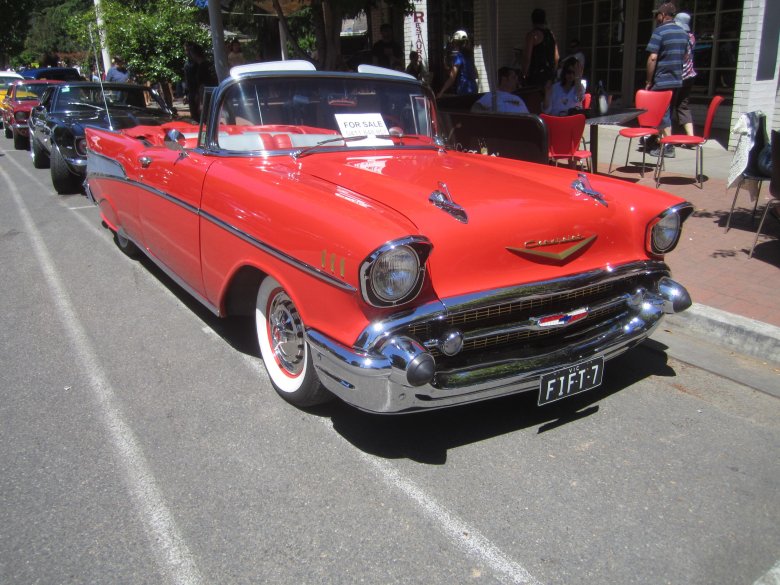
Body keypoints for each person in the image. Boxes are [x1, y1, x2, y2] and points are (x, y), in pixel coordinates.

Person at [645, 2, 688, 159]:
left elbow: (653, 57)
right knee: (667, 112)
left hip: (662, 79)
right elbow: (685, 56)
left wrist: (649, 81)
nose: (656, 17)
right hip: (677, 79)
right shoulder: (683, 33)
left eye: (657, 14)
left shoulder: (660, 32)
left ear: (663, 15)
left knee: (661, 113)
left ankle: (668, 146)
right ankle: (657, 138)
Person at [673, 12, 696, 137]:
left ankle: (665, 138)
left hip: (678, 77)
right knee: (683, 106)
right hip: (689, 75)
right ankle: (691, 136)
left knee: (668, 107)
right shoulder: (691, 37)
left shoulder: (679, 37)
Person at [522, 9, 559, 88]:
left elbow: (527, 57)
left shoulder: (532, 35)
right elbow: (557, 57)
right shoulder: (551, 34)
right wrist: (553, 71)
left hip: (536, 74)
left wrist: (524, 74)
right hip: (549, 74)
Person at [436, 30, 478, 98]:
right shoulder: (470, 56)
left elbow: (452, 78)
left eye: (454, 42)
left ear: (456, 43)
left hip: (464, 90)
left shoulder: (459, 56)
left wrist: (441, 92)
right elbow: (476, 74)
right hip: (474, 88)